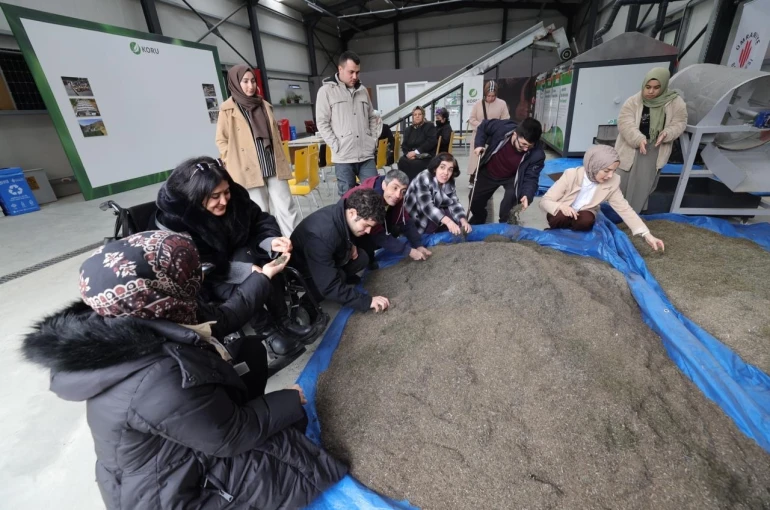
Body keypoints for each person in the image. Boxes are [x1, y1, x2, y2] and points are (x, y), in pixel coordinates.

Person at [22, 231, 347, 510]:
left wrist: (261, 278)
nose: (200, 280)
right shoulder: (158, 375)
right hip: (171, 494)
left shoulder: (131, 315)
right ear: (164, 291)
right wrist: (288, 399)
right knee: (293, 458)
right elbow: (231, 436)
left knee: (250, 355)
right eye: (191, 277)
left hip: (175, 450)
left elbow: (224, 318)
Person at [154, 156, 319, 357]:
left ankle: (283, 320)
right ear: (196, 196)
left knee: (268, 262)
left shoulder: (237, 198)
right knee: (248, 279)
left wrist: (269, 240)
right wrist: (243, 270)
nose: (224, 201)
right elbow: (193, 265)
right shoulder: (174, 221)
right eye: (215, 196)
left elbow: (260, 220)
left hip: (242, 255)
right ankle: (267, 332)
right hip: (209, 277)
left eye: (226, 192)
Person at [216, 65, 298, 235]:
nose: (250, 86)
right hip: (247, 169)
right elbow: (221, 140)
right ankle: (270, 248)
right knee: (260, 213)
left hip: (272, 163)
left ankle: (296, 245)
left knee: (287, 208)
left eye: (252, 81)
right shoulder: (227, 109)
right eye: (245, 81)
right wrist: (231, 160)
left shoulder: (264, 105)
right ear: (235, 83)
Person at [539, 145, 665, 251]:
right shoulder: (571, 175)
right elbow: (545, 201)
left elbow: (624, 208)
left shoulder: (613, 181)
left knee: (586, 221)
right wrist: (561, 206)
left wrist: (646, 234)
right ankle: (555, 234)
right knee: (559, 216)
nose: (610, 175)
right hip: (564, 210)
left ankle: (573, 237)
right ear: (594, 165)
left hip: (584, 212)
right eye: (606, 170)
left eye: (613, 171)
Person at [290, 188, 391, 313]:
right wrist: (367, 301)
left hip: (328, 254)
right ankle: (306, 302)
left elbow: (345, 233)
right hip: (304, 269)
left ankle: (342, 282)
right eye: (366, 225)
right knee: (337, 279)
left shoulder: (342, 213)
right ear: (352, 213)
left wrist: (351, 243)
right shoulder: (323, 236)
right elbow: (329, 286)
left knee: (362, 258)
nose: (369, 231)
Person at [615, 67, 688, 213]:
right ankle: (617, 211)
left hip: (654, 149)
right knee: (621, 180)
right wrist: (638, 139)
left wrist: (666, 134)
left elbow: (680, 122)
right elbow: (624, 122)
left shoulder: (675, 102)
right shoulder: (634, 101)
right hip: (632, 146)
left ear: (664, 86)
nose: (651, 91)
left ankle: (633, 215)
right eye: (648, 87)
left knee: (643, 184)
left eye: (656, 88)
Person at [316, 51, 378, 196]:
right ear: (340, 69)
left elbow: (372, 117)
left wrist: (372, 140)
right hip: (343, 157)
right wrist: (336, 145)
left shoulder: (363, 91)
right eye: (351, 72)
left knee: (374, 193)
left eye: (358, 72)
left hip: (366, 155)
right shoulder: (326, 91)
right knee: (347, 198)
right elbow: (322, 122)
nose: (355, 76)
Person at [342, 169, 432, 264]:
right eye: (395, 188)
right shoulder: (370, 198)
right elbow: (378, 234)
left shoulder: (396, 196)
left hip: (367, 227)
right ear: (384, 185)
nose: (398, 195)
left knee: (395, 230)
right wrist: (409, 251)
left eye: (403, 191)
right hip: (348, 232)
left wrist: (418, 245)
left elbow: (404, 220)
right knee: (364, 259)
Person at [469, 117, 545, 225]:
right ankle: (479, 218)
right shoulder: (502, 128)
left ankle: (505, 226)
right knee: (474, 201)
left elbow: (531, 177)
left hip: (513, 177)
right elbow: (484, 126)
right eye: (523, 144)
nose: (526, 149)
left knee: (510, 201)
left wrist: (527, 195)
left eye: (530, 146)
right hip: (489, 171)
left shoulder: (537, 155)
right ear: (515, 134)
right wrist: (479, 144)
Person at [404, 153, 472, 235]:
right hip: (416, 215)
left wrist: (463, 220)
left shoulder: (449, 181)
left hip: (434, 207)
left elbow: (454, 202)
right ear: (435, 168)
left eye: (450, 169)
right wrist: (448, 222)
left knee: (458, 222)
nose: (446, 173)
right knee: (443, 223)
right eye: (442, 167)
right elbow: (427, 207)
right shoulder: (423, 177)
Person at [467, 81, 510, 184]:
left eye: (493, 96)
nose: (491, 98)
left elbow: (505, 119)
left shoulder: (502, 104)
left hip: (494, 136)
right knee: (476, 157)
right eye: (488, 96)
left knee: (491, 157)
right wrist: (482, 127)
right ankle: (473, 177)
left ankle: (488, 178)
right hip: (478, 135)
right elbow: (472, 119)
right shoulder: (478, 104)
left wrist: (496, 128)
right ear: (485, 94)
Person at [398, 106, 438, 181]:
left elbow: (431, 142)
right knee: (402, 161)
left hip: (425, 155)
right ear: (413, 116)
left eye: (419, 114)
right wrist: (408, 154)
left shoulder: (429, 126)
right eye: (415, 115)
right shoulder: (408, 129)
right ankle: (405, 184)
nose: (417, 116)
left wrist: (416, 152)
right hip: (411, 155)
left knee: (415, 164)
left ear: (423, 115)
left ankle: (415, 185)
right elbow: (404, 145)